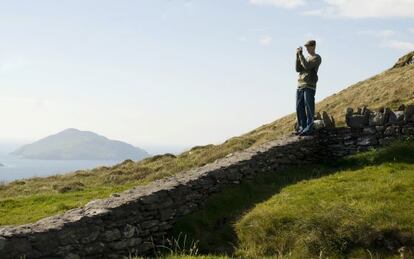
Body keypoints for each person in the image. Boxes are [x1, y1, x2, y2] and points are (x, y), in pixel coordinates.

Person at [295, 40, 322, 136]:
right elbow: (298, 69)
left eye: (308, 46)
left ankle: (309, 128)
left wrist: (301, 55)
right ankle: (302, 127)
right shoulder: (305, 57)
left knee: (309, 107)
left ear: (314, 46)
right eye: (306, 47)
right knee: (299, 107)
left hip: (309, 85)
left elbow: (306, 66)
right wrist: (297, 56)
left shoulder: (317, 57)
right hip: (300, 85)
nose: (306, 48)